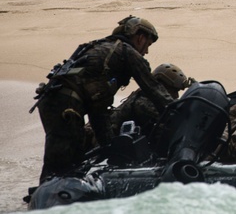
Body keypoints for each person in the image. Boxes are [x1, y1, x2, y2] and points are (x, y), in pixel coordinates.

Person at [32, 16, 174, 182]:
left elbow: (98, 111)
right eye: (147, 44)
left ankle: (44, 195)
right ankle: (53, 199)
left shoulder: (98, 47)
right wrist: (177, 111)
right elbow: (153, 88)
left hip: (51, 101)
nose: (146, 51)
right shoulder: (127, 52)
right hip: (67, 105)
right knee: (65, 163)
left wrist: (109, 146)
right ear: (139, 37)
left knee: (61, 159)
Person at [110, 63, 194, 136]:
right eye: (173, 90)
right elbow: (170, 124)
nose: (176, 95)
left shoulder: (148, 97)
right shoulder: (143, 102)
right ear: (161, 86)